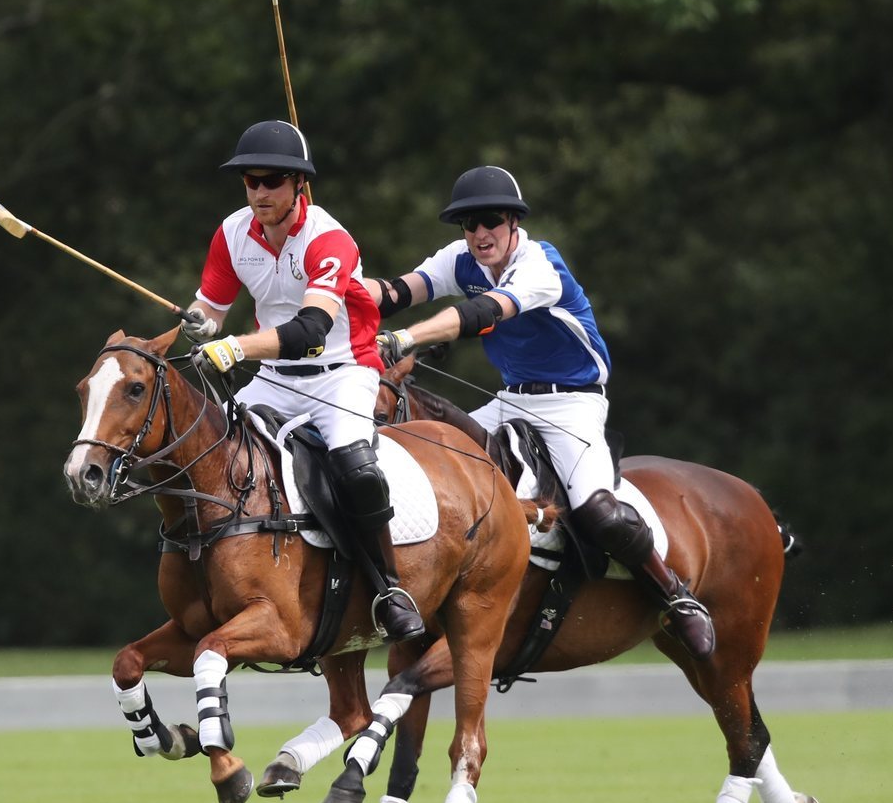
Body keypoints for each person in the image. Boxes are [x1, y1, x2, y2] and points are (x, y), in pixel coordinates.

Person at [370, 165, 715, 660]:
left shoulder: (538, 266)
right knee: (437, 458)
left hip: (573, 405)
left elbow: (482, 313)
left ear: (513, 221)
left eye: (490, 220)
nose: (479, 233)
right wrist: (340, 289)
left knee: (599, 510)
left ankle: (676, 597)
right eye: (469, 224)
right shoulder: (460, 258)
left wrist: (406, 337)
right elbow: (400, 290)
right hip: (512, 398)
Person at [184, 119, 425, 644]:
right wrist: (200, 321)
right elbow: (213, 307)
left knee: (356, 469)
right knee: (210, 453)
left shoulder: (329, 239)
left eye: (273, 180)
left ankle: (389, 589)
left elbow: (311, 330)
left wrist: (236, 347)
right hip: (274, 377)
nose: (260, 192)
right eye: (251, 181)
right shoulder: (231, 233)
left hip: (342, 374)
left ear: (299, 186)